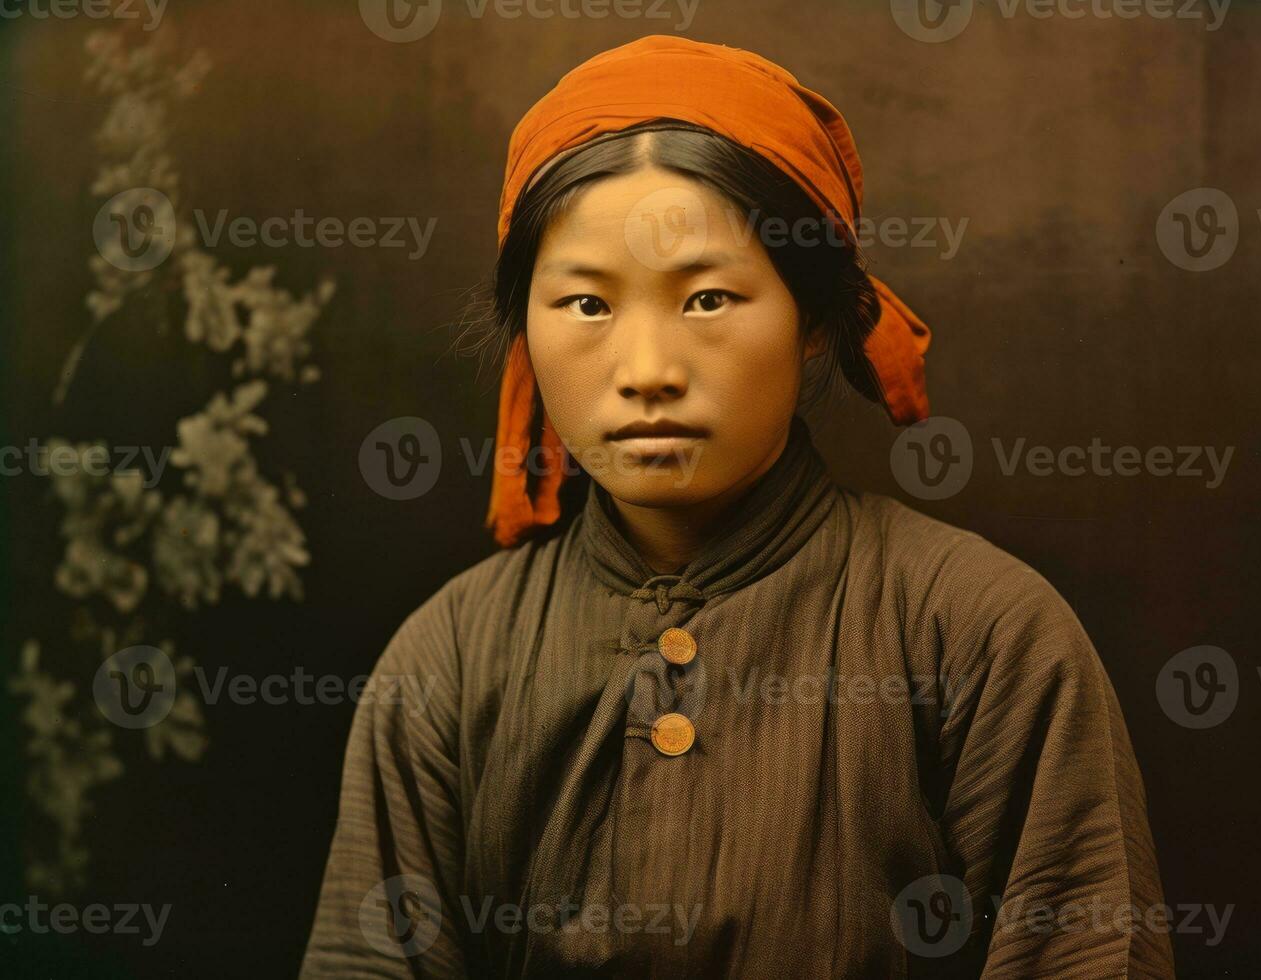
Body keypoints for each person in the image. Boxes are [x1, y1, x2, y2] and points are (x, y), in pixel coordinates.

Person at [300, 35, 1173, 978]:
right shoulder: (451, 658)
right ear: (526, 330)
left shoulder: (977, 633)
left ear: (811, 323)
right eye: (586, 306)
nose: (646, 373)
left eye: (709, 298)